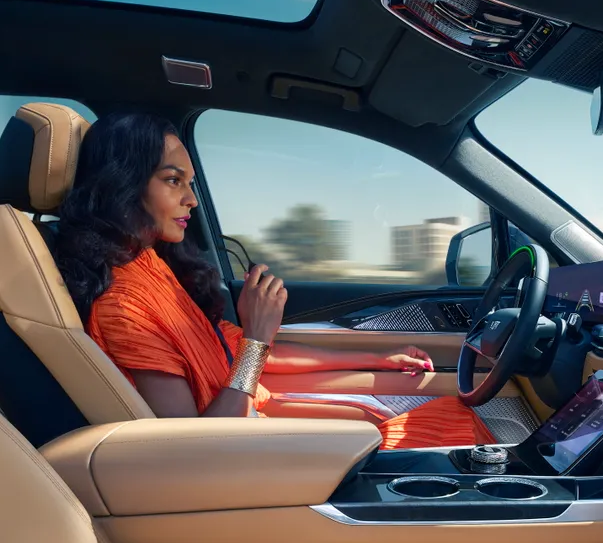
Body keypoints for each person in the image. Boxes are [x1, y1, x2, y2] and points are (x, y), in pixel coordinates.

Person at [51, 112, 495, 450]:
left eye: (189, 182)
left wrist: (378, 355)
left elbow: (242, 355)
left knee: (432, 421)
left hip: (250, 424)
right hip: (237, 453)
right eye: (173, 181)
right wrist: (256, 339)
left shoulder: (151, 268)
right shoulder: (124, 306)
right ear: (124, 185)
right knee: (454, 436)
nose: (191, 199)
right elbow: (192, 446)